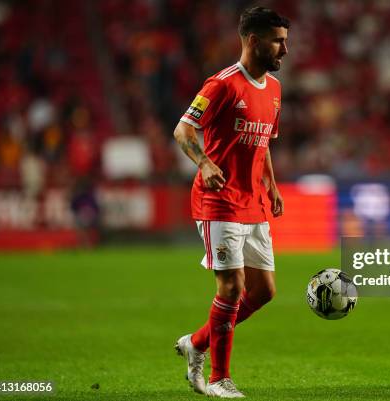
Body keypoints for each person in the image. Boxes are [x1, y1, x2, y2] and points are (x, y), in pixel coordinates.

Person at [172, 6, 289, 398]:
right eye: (278, 41)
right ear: (253, 41)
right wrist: (203, 162)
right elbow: (182, 130)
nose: (284, 50)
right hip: (218, 200)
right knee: (231, 287)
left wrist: (271, 186)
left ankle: (197, 342)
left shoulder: (273, 89)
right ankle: (220, 379)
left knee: (264, 292)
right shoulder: (221, 84)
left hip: (253, 200)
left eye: (285, 41)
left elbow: (263, 143)